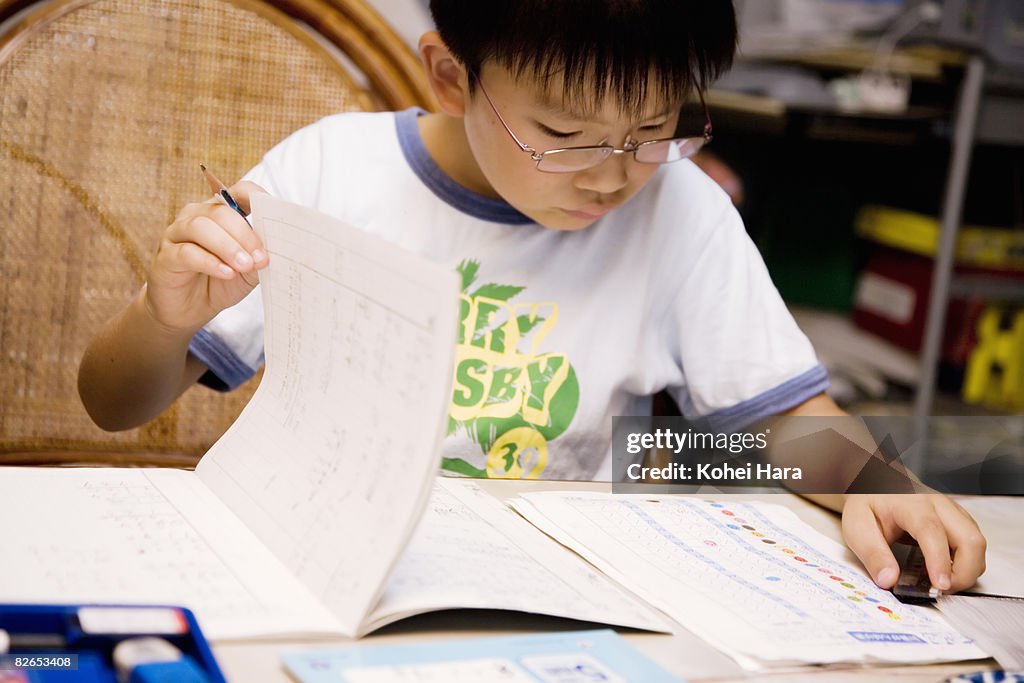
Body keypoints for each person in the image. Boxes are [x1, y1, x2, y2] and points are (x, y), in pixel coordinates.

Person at [78, 0, 985, 594]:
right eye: (564, 133)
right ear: (451, 75)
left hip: (574, 606)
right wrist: (167, 318)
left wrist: (876, 481)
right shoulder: (328, 176)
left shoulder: (682, 212)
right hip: (320, 582)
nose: (614, 175)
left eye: (655, 128)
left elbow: (785, 421)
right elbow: (113, 404)